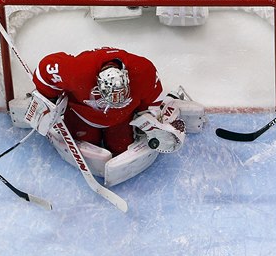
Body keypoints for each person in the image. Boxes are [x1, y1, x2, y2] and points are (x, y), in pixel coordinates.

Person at [16, 47, 206, 186]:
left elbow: (153, 100)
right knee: (90, 149)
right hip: (83, 116)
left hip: (122, 118)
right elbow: (43, 73)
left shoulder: (143, 70)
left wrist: (152, 117)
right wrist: (47, 99)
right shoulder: (77, 70)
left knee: (120, 147)